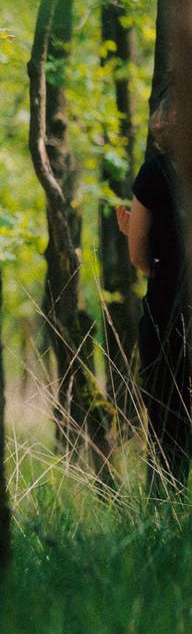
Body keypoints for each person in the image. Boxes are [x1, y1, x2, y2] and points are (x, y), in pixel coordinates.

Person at [118, 96, 191, 495]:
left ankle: (167, 516)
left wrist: (132, 232)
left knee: (169, 429)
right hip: (171, 314)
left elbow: (142, 260)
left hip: (169, 315)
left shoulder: (155, 174)